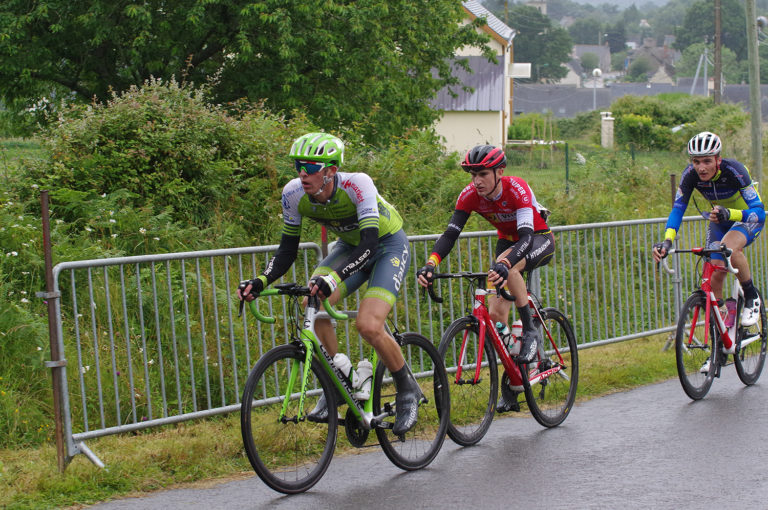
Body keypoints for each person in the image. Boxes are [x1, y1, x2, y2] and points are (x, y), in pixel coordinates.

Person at [237, 132, 419, 435]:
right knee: (312, 300)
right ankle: (339, 380)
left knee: (368, 325)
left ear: (331, 171)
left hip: (386, 246)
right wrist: (261, 280)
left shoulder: (358, 184)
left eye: (310, 167)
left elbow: (370, 243)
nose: (302, 174)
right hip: (349, 247)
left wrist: (333, 278)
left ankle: (407, 388)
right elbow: (286, 251)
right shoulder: (293, 194)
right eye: (298, 166)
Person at [416, 144, 555, 413]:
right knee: (494, 316)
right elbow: (450, 235)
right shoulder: (469, 195)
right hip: (507, 242)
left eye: (482, 174)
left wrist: (505, 263)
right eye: (473, 175)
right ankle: (515, 381)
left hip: (537, 239)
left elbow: (526, 237)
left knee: (510, 269)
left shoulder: (517, 188)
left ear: (499, 172)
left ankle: (529, 331)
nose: (476, 181)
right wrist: (431, 264)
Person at [652, 131, 765, 342]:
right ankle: (721, 335)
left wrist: (730, 214)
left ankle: (751, 296)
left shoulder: (735, 171)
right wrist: (667, 241)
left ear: (718, 160)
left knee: (729, 247)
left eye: (707, 161)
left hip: (745, 219)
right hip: (720, 220)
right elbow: (678, 209)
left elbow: (759, 212)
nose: (701, 167)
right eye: (696, 162)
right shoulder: (690, 175)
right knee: (715, 270)